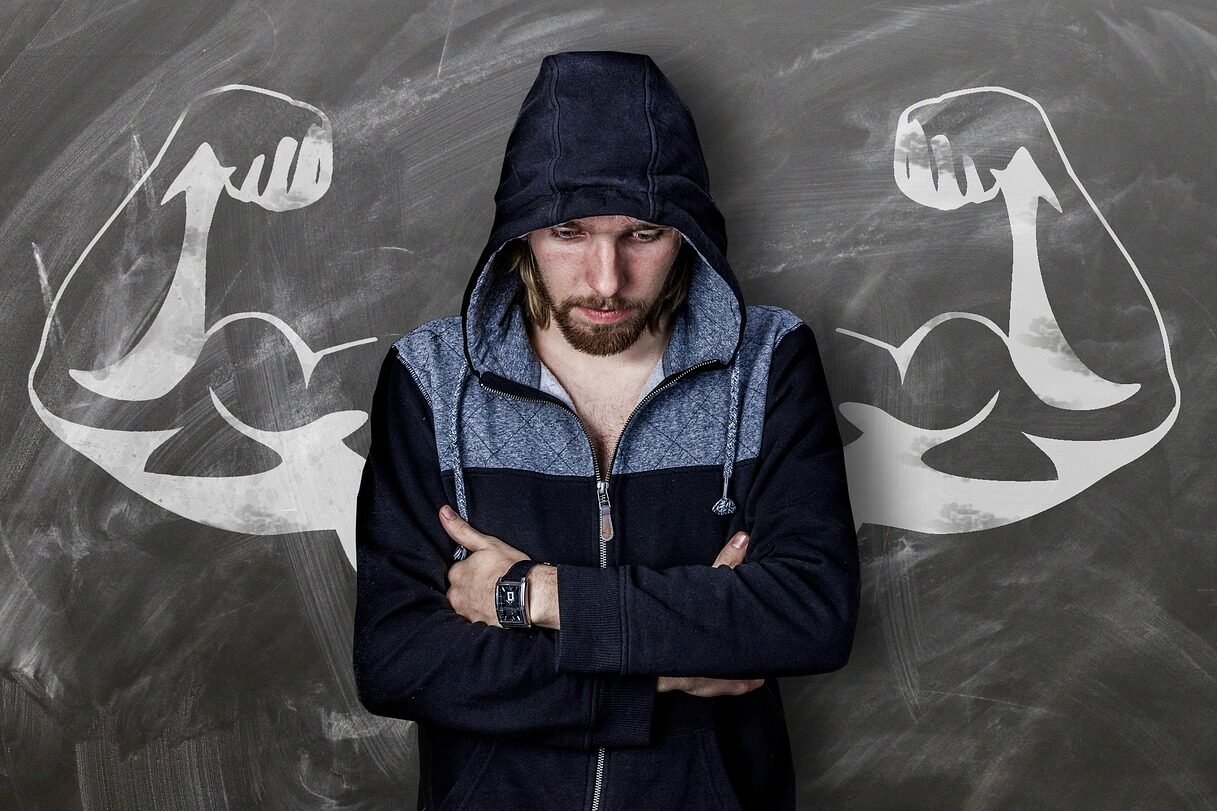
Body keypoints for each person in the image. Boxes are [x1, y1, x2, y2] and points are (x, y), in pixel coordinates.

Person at [353, 50, 860, 811]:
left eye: (643, 234)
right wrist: (661, 671)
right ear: (520, 233)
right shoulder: (430, 376)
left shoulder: (768, 362)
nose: (604, 279)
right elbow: (397, 660)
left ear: (687, 233)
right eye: (567, 232)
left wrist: (539, 597)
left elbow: (808, 615)